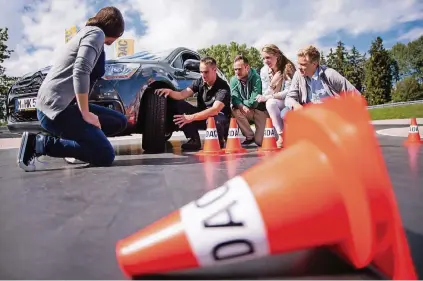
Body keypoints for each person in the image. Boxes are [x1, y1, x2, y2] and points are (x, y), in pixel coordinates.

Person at [17, 6, 128, 172]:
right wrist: (85, 113)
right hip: (56, 111)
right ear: (114, 28)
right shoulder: (96, 34)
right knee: (105, 155)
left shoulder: (88, 36)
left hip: (65, 106)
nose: (117, 40)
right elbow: (81, 70)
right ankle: (40, 144)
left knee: (119, 121)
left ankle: (77, 146)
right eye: (119, 34)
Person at [155, 56, 231, 150]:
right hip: (202, 117)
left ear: (214, 70)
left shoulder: (223, 87)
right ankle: (194, 139)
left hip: (219, 119)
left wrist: (191, 117)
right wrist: (169, 91)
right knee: (179, 105)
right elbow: (182, 94)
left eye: (206, 72)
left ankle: (219, 140)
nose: (203, 75)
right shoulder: (200, 81)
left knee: (214, 119)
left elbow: (215, 110)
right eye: (201, 72)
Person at [285, 45, 360, 111]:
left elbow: (355, 95)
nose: (299, 67)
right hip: (310, 118)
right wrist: (295, 105)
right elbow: (289, 98)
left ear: (314, 64)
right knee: (285, 113)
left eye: (303, 64)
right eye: (298, 63)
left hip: (332, 116)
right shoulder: (298, 75)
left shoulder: (329, 74)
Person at [255, 44, 295, 146]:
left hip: (289, 101)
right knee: (270, 103)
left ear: (276, 55)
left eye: (268, 57)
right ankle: (281, 135)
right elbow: (265, 91)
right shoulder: (264, 70)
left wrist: (269, 96)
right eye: (263, 58)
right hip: (276, 101)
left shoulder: (287, 67)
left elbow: (289, 92)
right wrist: (272, 85)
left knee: (270, 101)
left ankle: (288, 135)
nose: (265, 61)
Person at [230, 55, 268, 146]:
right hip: (245, 110)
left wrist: (242, 102)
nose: (237, 72)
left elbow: (254, 101)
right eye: (235, 69)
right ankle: (249, 136)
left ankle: (269, 131)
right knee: (233, 108)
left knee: (260, 141)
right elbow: (234, 98)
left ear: (247, 67)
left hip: (259, 110)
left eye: (239, 69)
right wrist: (241, 105)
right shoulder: (233, 80)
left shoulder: (256, 78)